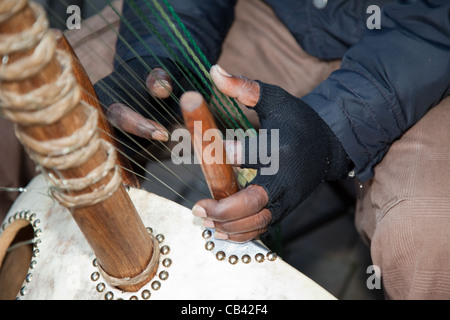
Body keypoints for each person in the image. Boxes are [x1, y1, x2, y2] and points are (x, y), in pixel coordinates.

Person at [96, 0, 449, 299]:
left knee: (428, 245)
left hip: (428, 49)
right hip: (287, 15)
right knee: (66, 104)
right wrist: (151, 53)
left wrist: (332, 127)